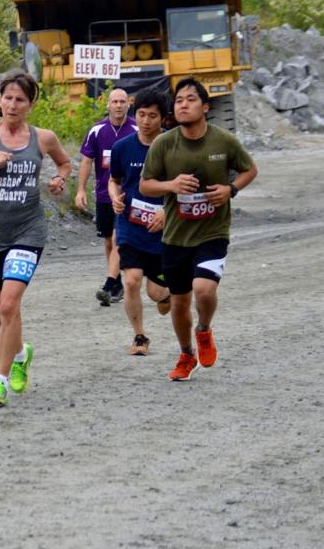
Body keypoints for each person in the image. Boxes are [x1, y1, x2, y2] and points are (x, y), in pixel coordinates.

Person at [0, 72, 71, 406]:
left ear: (31, 103)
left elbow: (65, 164)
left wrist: (59, 180)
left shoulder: (43, 138)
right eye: (7, 98)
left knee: (9, 304)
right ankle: (20, 354)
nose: (12, 104)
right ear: (0, 100)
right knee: (2, 311)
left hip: (28, 230)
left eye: (20, 99)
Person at [140, 78, 258, 382]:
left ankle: (204, 330)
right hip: (176, 236)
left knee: (204, 290)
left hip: (213, 231)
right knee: (179, 302)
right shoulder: (163, 144)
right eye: (179, 100)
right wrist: (171, 185)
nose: (183, 104)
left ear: (205, 107)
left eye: (190, 99)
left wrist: (230, 189)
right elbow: (146, 185)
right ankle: (186, 353)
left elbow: (250, 169)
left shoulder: (224, 141)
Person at [106, 89, 173, 356]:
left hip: (163, 232)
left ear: (163, 119)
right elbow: (114, 180)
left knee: (157, 294)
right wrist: (114, 198)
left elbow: (187, 187)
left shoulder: (173, 147)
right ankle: (140, 337)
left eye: (152, 116)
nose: (146, 121)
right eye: (142, 115)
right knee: (132, 281)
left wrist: (167, 212)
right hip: (131, 226)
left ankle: (166, 295)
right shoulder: (122, 147)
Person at [75, 88, 137, 306]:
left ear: (128, 104)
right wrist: (81, 189)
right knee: (108, 239)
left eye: (122, 101)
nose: (118, 105)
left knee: (118, 236)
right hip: (103, 194)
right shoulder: (97, 130)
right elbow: (86, 161)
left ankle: (110, 283)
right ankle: (117, 282)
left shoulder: (136, 129)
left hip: (127, 196)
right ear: (108, 105)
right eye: (115, 102)